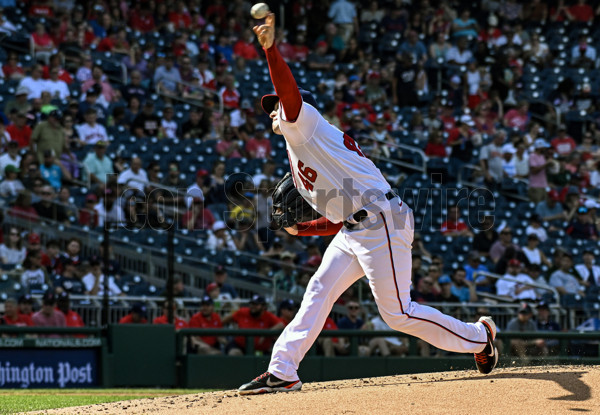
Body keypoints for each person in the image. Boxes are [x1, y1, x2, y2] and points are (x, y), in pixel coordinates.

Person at [239, 14, 497, 395]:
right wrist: (302, 229)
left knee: (398, 314)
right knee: (319, 290)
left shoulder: (305, 124)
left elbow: (290, 95)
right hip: (358, 226)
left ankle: (480, 336)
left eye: (275, 104)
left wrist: (270, 50)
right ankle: (283, 370)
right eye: (272, 108)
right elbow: (339, 219)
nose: (274, 110)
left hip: (382, 223)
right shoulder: (303, 154)